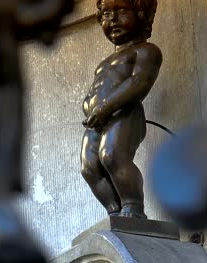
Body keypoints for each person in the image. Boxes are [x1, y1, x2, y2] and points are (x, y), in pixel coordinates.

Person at [81, 0, 162, 218]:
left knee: (112, 155)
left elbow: (139, 83)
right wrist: (89, 105)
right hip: (98, 118)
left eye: (121, 11)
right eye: (106, 14)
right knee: (89, 167)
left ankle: (133, 205)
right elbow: (97, 88)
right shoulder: (105, 62)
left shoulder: (146, 51)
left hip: (125, 113)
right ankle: (114, 212)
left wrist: (106, 107)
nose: (113, 19)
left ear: (142, 14)